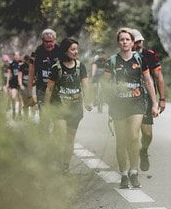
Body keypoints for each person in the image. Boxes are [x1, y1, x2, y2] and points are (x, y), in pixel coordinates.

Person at [104, 28, 159, 189]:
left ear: (132, 42)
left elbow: (148, 81)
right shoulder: (112, 61)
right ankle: (123, 174)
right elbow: (104, 83)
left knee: (134, 136)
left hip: (137, 103)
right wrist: (110, 93)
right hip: (118, 105)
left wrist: (155, 103)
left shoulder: (140, 59)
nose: (125, 42)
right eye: (122, 39)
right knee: (121, 140)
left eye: (127, 39)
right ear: (118, 42)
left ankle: (134, 172)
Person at [45, 38, 93, 169]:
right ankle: (55, 160)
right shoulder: (56, 68)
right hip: (59, 107)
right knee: (61, 135)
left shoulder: (80, 66)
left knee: (70, 139)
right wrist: (47, 108)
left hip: (75, 108)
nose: (76, 52)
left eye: (77, 49)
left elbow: (85, 85)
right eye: (72, 49)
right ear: (65, 51)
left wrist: (88, 101)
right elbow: (49, 89)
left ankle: (65, 166)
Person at [132, 29, 166, 172]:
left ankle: (144, 150)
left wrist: (161, 99)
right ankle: (130, 166)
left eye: (140, 41)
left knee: (147, 134)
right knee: (131, 134)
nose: (139, 44)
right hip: (129, 100)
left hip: (146, 98)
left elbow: (158, 76)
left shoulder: (149, 55)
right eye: (136, 42)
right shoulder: (122, 57)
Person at [28, 29, 63, 109]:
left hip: (57, 88)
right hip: (42, 88)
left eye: (51, 41)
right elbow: (31, 73)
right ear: (42, 40)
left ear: (55, 40)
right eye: (46, 41)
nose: (48, 44)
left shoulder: (61, 51)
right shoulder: (36, 52)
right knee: (43, 112)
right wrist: (30, 94)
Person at [5, 51, 24, 118]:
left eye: (18, 55)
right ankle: (13, 111)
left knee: (20, 99)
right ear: (13, 56)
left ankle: (19, 113)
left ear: (20, 56)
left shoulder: (22, 64)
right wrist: (7, 83)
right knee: (13, 97)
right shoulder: (11, 64)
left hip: (21, 83)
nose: (16, 56)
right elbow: (9, 74)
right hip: (13, 83)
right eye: (15, 55)